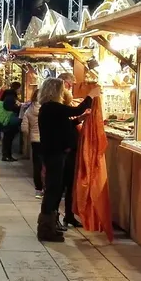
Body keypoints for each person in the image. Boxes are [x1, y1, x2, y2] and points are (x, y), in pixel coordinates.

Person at [36, 78, 101, 242]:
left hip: (56, 153)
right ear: (56, 91)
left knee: (56, 189)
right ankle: (45, 229)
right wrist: (91, 96)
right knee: (52, 190)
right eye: (62, 88)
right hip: (54, 154)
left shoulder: (50, 108)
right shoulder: (52, 107)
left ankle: (51, 225)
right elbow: (76, 109)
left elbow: (65, 125)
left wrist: (80, 120)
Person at [21, 88, 43, 197]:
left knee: (37, 165)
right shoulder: (48, 108)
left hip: (35, 140)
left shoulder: (29, 109)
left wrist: (28, 135)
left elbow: (24, 128)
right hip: (47, 140)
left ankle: (38, 189)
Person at [0, 81, 23, 161]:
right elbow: (9, 108)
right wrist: (18, 106)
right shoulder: (11, 97)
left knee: (7, 138)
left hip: (6, 120)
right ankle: (6, 155)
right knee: (8, 139)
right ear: (16, 88)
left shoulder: (8, 95)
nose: (20, 90)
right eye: (20, 88)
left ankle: (8, 155)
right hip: (9, 121)